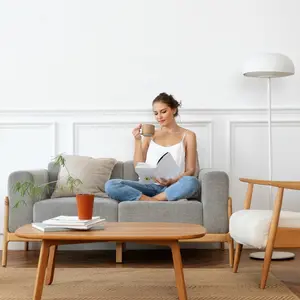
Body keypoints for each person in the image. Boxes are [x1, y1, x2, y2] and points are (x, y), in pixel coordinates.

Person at [105, 92, 200, 201]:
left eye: (163, 112)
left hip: (173, 187)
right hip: (147, 186)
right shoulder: (151, 134)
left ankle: (150, 200)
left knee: (192, 182)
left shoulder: (188, 135)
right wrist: (137, 140)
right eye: (156, 113)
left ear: (173, 110)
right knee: (111, 185)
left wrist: (172, 181)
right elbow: (138, 165)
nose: (159, 117)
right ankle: (154, 201)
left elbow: (190, 170)